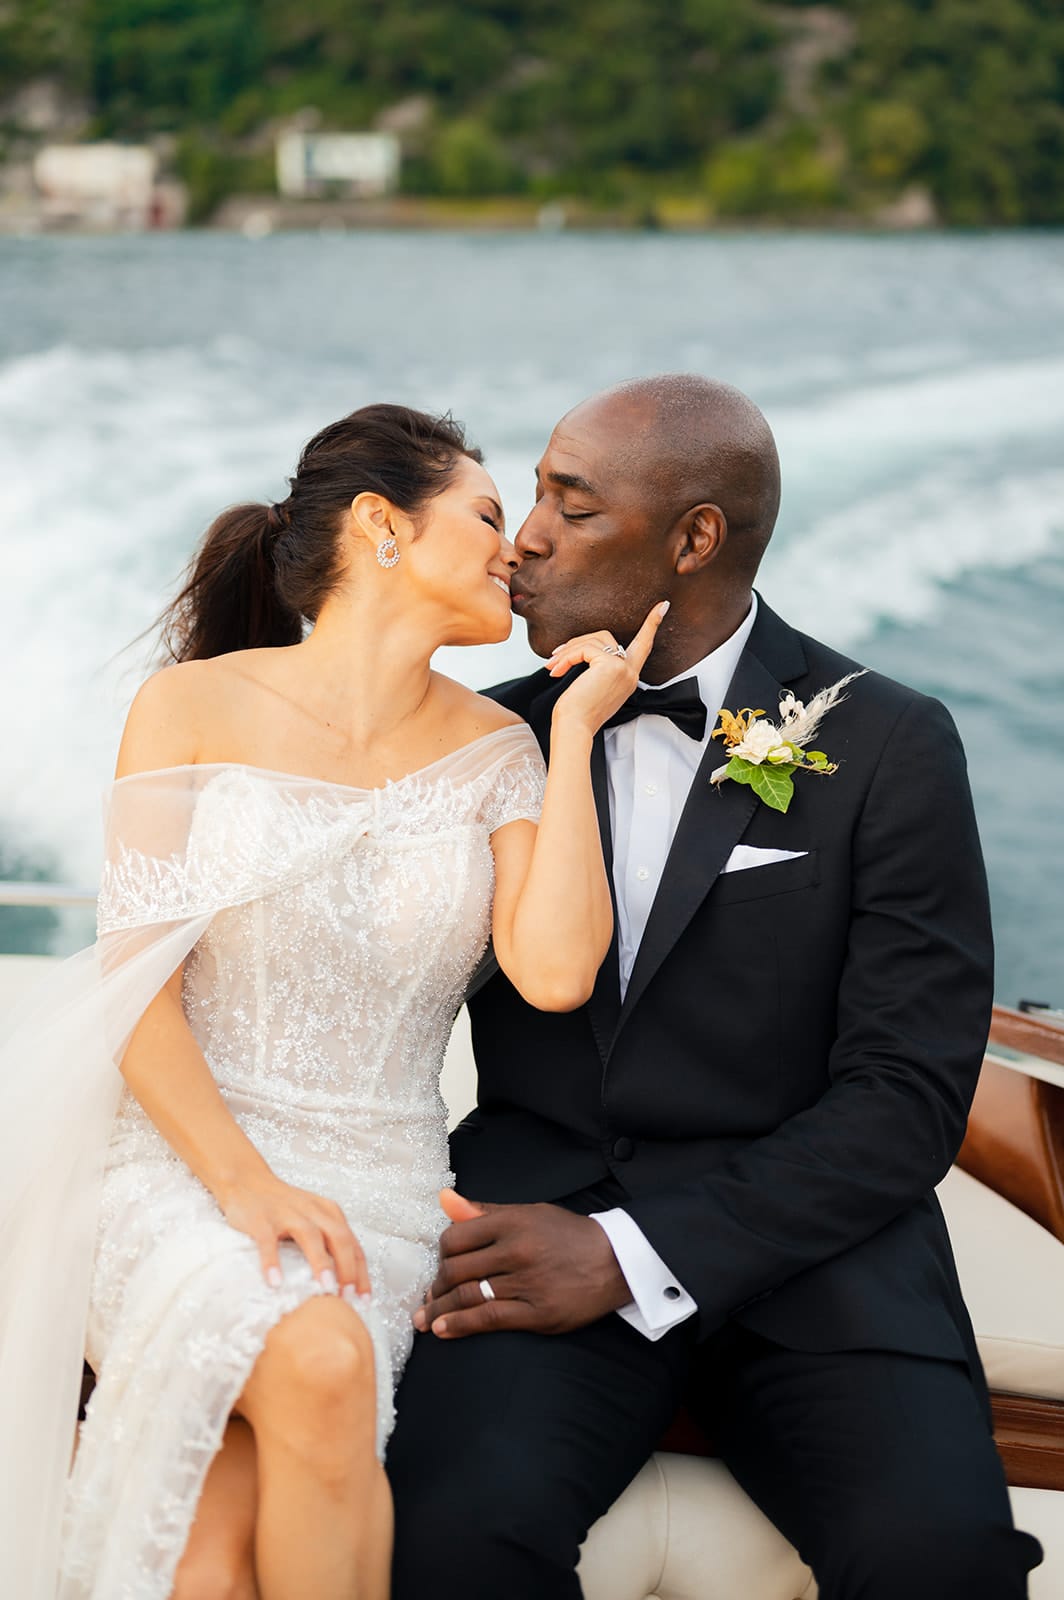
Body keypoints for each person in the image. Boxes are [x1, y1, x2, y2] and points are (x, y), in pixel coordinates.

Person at [386, 376, 1044, 1599]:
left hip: (817, 1257)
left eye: (571, 505)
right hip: (528, 1236)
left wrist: (630, 1251)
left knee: (938, 1561)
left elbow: (904, 1094)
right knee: (447, 1536)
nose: (523, 537)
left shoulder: (888, 742)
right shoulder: (482, 740)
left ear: (692, 538)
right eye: (532, 495)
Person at [0, 403, 668, 1600]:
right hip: (178, 1159)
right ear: (380, 525)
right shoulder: (188, 707)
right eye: (484, 514)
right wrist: (245, 1185)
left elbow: (556, 970)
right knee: (315, 1356)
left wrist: (572, 738)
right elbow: (135, 992)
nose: (515, 545)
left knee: (209, 1564)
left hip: (380, 1190)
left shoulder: (501, 751)